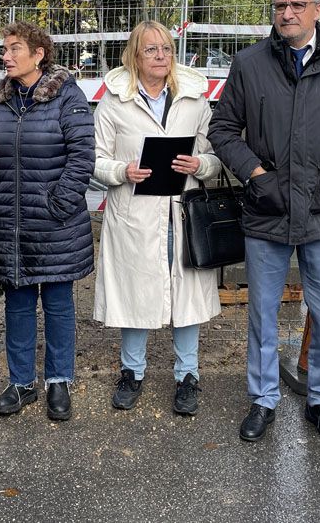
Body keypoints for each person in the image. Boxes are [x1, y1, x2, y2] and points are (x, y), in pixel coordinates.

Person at [208, 0, 320, 444]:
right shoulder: (249, 63)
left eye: (297, 5)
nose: (287, 13)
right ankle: (262, 399)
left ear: (317, 11)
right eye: (280, 5)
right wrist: (256, 176)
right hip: (267, 210)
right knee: (263, 313)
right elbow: (223, 130)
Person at [92, 21, 223, 416]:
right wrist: (121, 172)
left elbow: (216, 159)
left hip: (181, 214)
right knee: (136, 293)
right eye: (151, 50)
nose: (161, 56)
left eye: (166, 48)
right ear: (135, 55)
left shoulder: (194, 102)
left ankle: (188, 375)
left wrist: (199, 164)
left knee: (185, 295)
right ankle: (132, 372)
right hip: (135, 215)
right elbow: (95, 160)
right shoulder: (114, 103)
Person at [0, 21, 95, 422]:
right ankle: (21, 382)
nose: (5, 56)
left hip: (56, 223)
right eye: (4, 49)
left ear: (38, 54)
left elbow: (82, 158)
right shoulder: (0, 100)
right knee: (19, 303)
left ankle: (58, 380)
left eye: (14, 49)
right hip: (11, 224)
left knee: (59, 303)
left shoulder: (68, 97)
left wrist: (57, 205)